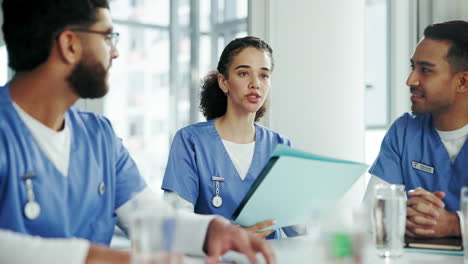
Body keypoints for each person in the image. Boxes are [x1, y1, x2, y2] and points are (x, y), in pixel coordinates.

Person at [0, 1, 276, 264]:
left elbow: (148, 215)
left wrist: (213, 231)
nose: (115, 51)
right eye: (108, 37)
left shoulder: (99, 136)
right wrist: (104, 259)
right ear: (70, 44)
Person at [162, 36, 301, 239]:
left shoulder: (280, 145)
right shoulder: (190, 141)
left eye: (264, 75)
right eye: (244, 73)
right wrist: (232, 237)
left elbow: (297, 225)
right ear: (223, 82)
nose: (255, 84)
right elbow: (175, 222)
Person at [364, 20, 468, 238]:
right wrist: (404, 216)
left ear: (463, 82)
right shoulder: (404, 132)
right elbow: (371, 217)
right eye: (413, 67)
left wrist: (455, 224)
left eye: (426, 70)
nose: (410, 80)